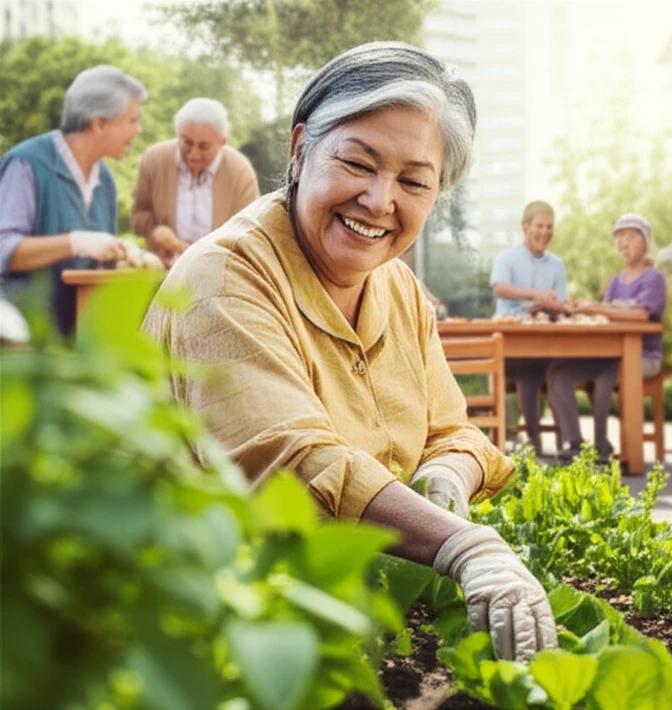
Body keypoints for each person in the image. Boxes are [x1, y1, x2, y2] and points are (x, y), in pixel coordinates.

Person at [143, 42, 556, 662]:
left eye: (414, 181)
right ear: (302, 148)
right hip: (208, 627)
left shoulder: (396, 286)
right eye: (359, 164)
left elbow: (452, 432)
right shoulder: (224, 279)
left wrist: (444, 479)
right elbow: (292, 463)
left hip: (336, 609)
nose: (380, 200)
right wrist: (464, 546)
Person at [0, 65, 146, 335]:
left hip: (76, 343)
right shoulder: (27, 164)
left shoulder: (106, 181)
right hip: (23, 344)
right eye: (132, 120)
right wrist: (74, 243)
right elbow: (3, 249)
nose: (138, 130)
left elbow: (97, 268)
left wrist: (125, 256)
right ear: (100, 123)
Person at [546, 213, 666, 461]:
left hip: (643, 357)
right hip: (612, 355)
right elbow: (605, 319)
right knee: (558, 373)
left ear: (645, 241)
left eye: (630, 236)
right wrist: (581, 310)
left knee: (606, 376)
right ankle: (575, 443)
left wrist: (593, 307)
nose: (623, 243)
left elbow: (641, 315)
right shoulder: (615, 282)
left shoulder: (653, 278)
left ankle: (602, 446)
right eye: (619, 237)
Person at [131, 97, 261, 265]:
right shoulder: (153, 159)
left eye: (203, 146)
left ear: (222, 142)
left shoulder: (240, 171)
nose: (193, 154)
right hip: (164, 269)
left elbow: (251, 230)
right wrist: (153, 231)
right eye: (186, 142)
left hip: (219, 269)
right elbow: (139, 214)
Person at [489, 201, 567, 454]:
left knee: (538, 368)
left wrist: (547, 306)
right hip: (508, 341)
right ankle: (518, 438)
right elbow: (500, 288)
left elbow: (561, 303)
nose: (545, 232)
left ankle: (539, 440)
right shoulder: (507, 259)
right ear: (525, 227)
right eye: (539, 226)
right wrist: (535, 295)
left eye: (549, 226)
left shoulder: (557, 265)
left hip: (542, 340)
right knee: (524, 370)